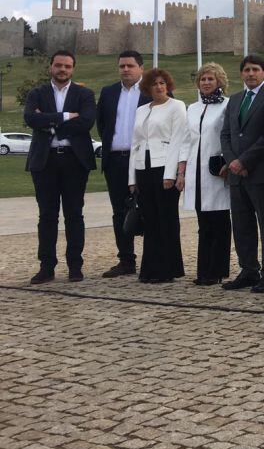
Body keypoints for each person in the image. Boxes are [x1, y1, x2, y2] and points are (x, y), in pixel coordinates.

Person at [24, 50, 97, 284]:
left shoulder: (84, 94)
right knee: (47, 215)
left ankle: (75, 265)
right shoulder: (37, 93)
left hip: (74, 161)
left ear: (73, 68)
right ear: (51, 67)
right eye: (58, 65)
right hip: (45, 161)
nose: (62, 70)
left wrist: (50, 122)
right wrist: (65, 116)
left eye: (67, 66)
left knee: (74, 214)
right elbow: (30, 119)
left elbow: (86, 122)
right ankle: (47, 266)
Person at [219, 55, 264, 293]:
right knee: (242, 225)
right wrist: (232, 160)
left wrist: (245, 160)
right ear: (241, 74)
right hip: (237, 174)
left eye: (256, 69)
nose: (251, 74)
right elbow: (226, 134)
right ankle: (248, 269)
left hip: (262, 171)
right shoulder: (234, 100)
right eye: (247, 70)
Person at [127, 68, 187, 283]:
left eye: (163, 83)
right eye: (155, 84)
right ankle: (150, 268)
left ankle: (168, 268)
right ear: (148, 88)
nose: (159, 87)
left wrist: (171, 173)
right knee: (150, 219)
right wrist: (131, 179)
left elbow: (179, 140)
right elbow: (135, 144)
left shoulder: (176, 106)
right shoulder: (142, 110)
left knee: (166, 219)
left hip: (164, 167)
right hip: (144, 167)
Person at [96, 50, 148, 277]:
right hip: (116, 160)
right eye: (122, 66)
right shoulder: (108, 93)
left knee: (149, 209)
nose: (125, 69)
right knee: (120, 212)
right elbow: (102, 125)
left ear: (141, 68)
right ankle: (126, 260)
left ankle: (153, 259)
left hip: (144, 161)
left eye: (130, 65)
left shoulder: (151, 91)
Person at [183, 62, 232, 285]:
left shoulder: (227, 106)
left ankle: (218, 269)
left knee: (219, 221)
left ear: (219, 81)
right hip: (196, 171)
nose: (206, 83)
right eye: (203, 79)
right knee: (203, 223)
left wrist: (227, 162)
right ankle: (204, 270)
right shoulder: (192, 108)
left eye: (210, 79)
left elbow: (229, 136)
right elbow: (186, 140)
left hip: (216, 170)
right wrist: (181, 171)